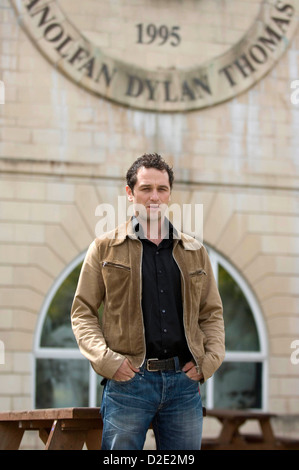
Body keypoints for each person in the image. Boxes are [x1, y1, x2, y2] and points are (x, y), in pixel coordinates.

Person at [71, 153, 225, 450]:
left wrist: (210, 359)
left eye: (162, 189)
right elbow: (82, 312)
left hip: (184, 385)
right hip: (128, 383)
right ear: (130, 194)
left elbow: (212, 314)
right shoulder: (104, 248)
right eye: (145, 188)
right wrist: (106, 360)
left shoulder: (195, 251)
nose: (154, 196)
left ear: (169, 194)